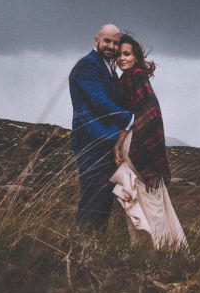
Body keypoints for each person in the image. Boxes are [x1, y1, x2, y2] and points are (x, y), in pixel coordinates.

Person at [110, 34, 187, 248]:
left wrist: (123, 140)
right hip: (136, 148)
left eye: (127, 54)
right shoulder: (129, 78)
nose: (122, 59)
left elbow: (149, 111)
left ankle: (159, 248)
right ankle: (158, 248)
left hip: (138, 148)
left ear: (136, 57)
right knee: (145, 200)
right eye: (119, 55)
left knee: (146, 200)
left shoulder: (135, 77)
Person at [69, 24, 134, 229]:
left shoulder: (106, 67)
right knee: (93, 194)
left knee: (104, 196)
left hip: (106, 140)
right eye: (107, 41)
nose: (111, 46)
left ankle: (94, 245)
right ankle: (82, 243)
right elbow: (100, 101)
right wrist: (130, 119)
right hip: (92, 140)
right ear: (96, 40)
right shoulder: (87, 66)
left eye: (116, 43)